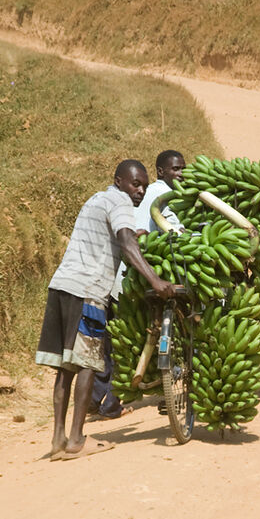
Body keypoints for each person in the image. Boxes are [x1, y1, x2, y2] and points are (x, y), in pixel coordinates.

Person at [35, 159, 175, 461]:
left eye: (144, 186)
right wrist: (155, 280)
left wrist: (135, 236)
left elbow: (111, 237)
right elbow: (125, 242)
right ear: (119, 181)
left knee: (65, 369)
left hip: (62, 286)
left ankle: (59, 438)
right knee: (88, 364)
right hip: (88, 291)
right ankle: (76, 440)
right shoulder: (121, 202)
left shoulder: (97, 199)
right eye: (135, 184)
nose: (140, 191)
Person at [88, 149, 187, 420]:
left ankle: (95, 400)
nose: (181, 174)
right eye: (176, 169)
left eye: (183, 169)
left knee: (109, 342)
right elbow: (154, 235)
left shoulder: (141, 195)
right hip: (133, 279)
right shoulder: (159, 195)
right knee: (129, 341)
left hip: (114, 280)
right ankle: (112, 402)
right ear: (161, 172)